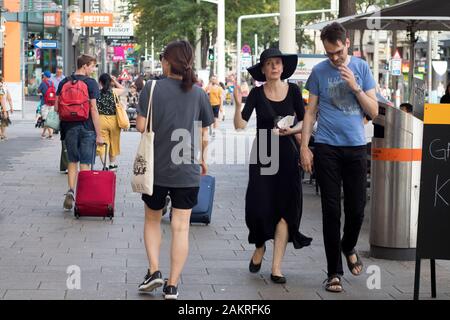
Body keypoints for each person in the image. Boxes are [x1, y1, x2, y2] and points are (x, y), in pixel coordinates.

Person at [301, 22, 379, 293]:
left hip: (356, 147)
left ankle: (348, 245)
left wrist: (355, 87)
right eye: (328, 53)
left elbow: (375, 111)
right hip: (327, 148)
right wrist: (304, 147)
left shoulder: (361, 68)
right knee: (331, 210)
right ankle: (333, 271)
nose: (334, 58)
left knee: (357, 208)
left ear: (347, 43)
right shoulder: (319, 71)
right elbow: (310, 112)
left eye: (337, 52)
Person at [136, 40, 214, 300]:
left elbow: (140, 126)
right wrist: (203, 159)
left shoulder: (152, 87)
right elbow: (204, 134)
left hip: (156, 169)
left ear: (168, 61)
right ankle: (172, 285)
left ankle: (154, 270)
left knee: (152, 220)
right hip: (187, 168)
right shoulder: (200, 94)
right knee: (181, 227)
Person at [233, 48, 312, 284]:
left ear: (282, 67)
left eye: (277, 63)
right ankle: (259, 246)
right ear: (263, 69)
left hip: (287, 153)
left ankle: (276, 267)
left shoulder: (294, 91)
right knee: (258, 206)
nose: (274, 67)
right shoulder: (257, 94)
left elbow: (305, 119)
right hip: (263, 153)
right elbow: (239, 125)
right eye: (269, 64)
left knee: (285, 209)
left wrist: (295, 133)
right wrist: (238, 105)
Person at [54, 54, 104, 210]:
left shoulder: (64, 81)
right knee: (85, 162)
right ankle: (83, 197)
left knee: (72, 161)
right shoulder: (91, 83)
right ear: (84, 66)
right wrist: (100, 134)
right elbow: (94, 109)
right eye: (92, 66)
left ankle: (70, 191)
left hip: (69, 127)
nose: (93, 70)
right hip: (87, 127)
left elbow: (56, 107)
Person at [96, 73, 126, 171]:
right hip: (114, 120)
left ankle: (106, 165)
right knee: (114, 142)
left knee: (103, 143)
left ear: (100, 82)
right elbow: (124, 90)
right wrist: (115, 81)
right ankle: (112, 164)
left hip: (100, 120)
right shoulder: (114, 91)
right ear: (110, 82)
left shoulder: (97, 93)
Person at [38, 71, 55, 139]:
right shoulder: (52, 83)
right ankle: (43, 133)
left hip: (44, 103)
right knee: (49, 118)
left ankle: (51, 134)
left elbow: (38, 91)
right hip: (52, 103)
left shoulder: (43, 83)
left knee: (45, 119)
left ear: (44, 76)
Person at [0, 76, 14, 140]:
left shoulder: (3, 88)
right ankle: (2, 134)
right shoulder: (4, 87)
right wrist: (11, 107)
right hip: (3, 108)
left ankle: (2, 135)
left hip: (3, 107)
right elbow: (9, 98)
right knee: (4, 122)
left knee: (2, 122)